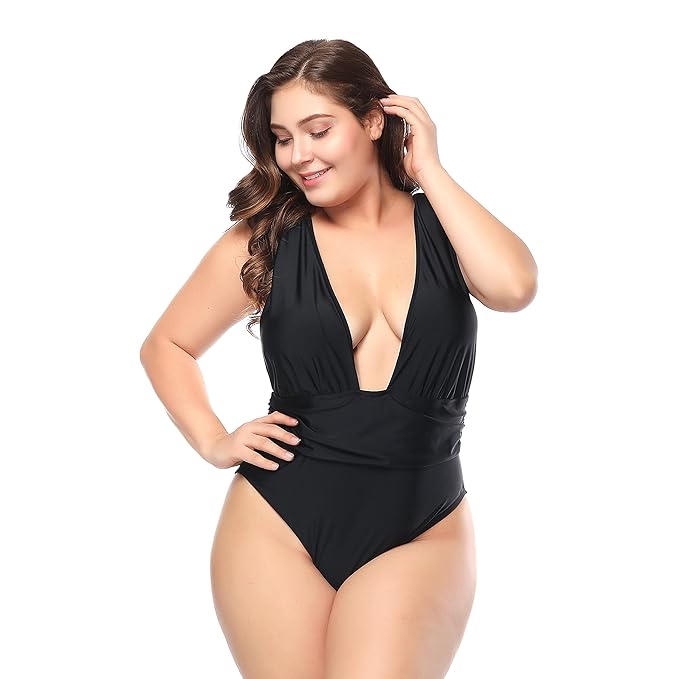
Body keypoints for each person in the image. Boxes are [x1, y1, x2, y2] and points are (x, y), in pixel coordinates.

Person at [140, 38, 538, 679]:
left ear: (374, 120)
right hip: (278, 523)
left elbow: (513, 288)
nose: (298, 155)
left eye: (318, 130)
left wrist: (430, 170)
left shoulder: (444, 226)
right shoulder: (266, 240)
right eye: (282, 138)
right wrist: (213, 439)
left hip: (422, 525)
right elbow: (168, 345)